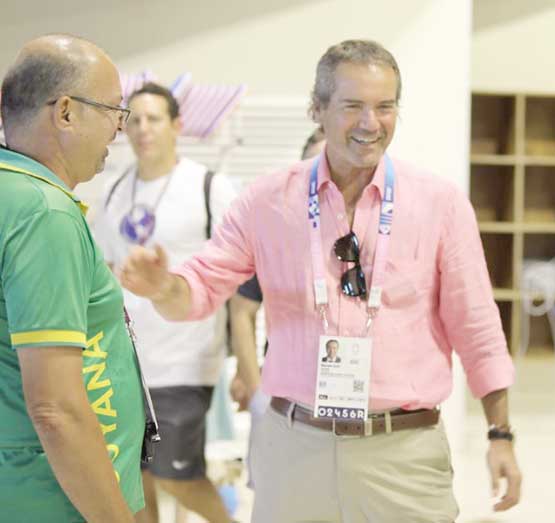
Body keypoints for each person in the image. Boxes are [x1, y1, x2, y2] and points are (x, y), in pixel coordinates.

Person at [119, 39, 521, 522]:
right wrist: (164, 287)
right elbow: (203, 284)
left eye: (385, 107)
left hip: (402, 453)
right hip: (294, 446)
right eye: (353, 106)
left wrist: (500, 434)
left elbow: (476, 327)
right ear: (318, 109)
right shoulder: (268, 201)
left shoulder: (440, 204)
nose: (371, 123)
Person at [0, 34, 146, 522]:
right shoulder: (44, 214)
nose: (118, 130)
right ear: (65, 112)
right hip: (53, 498)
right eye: (113, 111)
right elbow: (55, 410)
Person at [90, 82, 239, 523]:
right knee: (137, 485)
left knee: (177, 476)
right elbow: (102, 268)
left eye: (153, 118)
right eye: (132, 119)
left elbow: (237, 268)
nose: (142, 128)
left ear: (177, 125)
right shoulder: (115, 192)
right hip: (127, 361)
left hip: (185, 360)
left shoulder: (209, 187)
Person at [229, 128, 325, 410]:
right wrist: (255, 387)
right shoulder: (275, 233)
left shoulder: (372, 237)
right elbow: (241, 310)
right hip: (286, 400)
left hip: (358, 400)